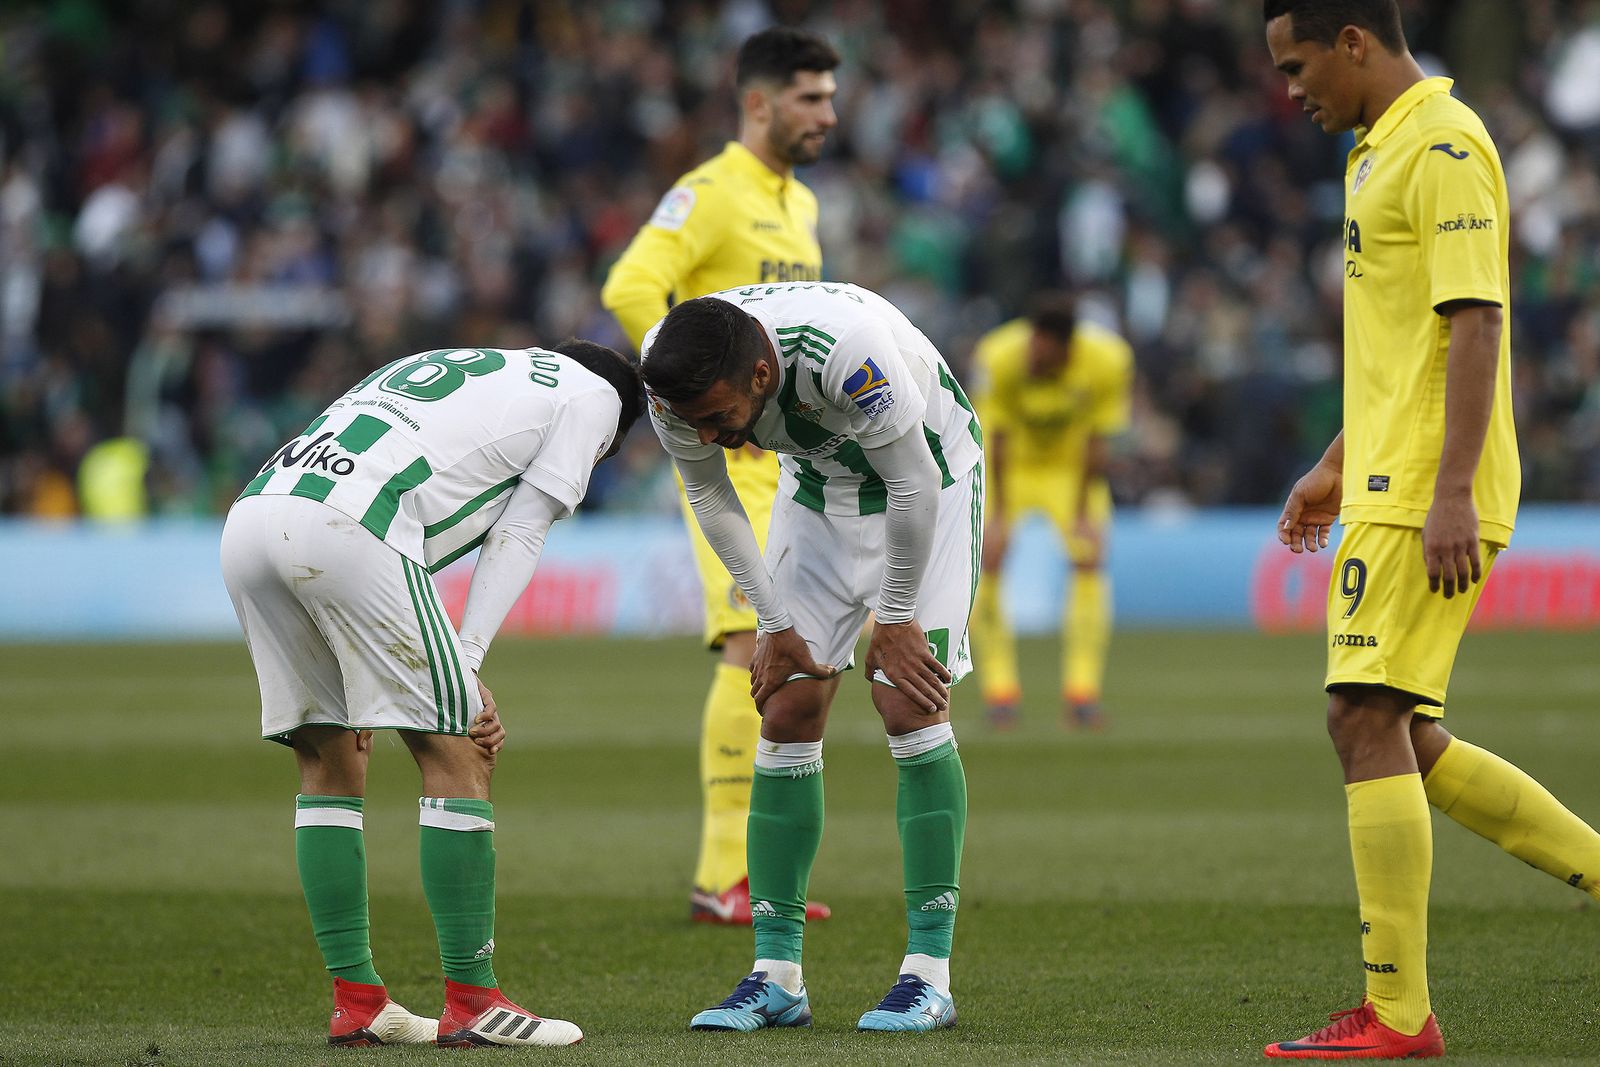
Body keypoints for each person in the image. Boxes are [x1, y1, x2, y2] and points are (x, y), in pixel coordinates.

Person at [1262, 1, 1600, 1058]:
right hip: (1386, 474)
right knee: (1401, 733)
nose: (1291, 91)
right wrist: (1334, 460)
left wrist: (1452, 488)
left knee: (1362, 718)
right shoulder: (1375, 151)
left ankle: (1398, 1013)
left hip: (1422, 487)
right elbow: (1405, 345)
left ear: (1353, 42)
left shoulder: (1445, 144)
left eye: (1297, 66)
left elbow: (1477, 320)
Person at [220, 340, 645, 1048]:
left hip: (254, 515)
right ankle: (473, 1002)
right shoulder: (597, 396)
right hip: (353, 524)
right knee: (461, 747)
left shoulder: (478, 363)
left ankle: (358, 1001)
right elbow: (521, 529)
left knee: (329, 758)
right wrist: (466, 662)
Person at [640, 281, 983, 1033]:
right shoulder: (670, 375)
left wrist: (896, 615)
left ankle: (929, 975)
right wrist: (772, 621)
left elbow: (912, 480)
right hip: (818, 492)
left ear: (762, 375)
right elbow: (712, 497)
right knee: (787, 701)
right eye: (694, 422)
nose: (710, 435)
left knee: (907, 698)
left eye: (719, 418)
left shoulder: (846, 350)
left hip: (930, 482)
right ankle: (776, 975)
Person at [601, 27, 839, 926]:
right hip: (733, 463)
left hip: (789, 463)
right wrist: (696, 398)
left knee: (798, 654)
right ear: (759, 102)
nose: (827, 114)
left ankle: (754, 873)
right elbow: (631, 286)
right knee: (751, 645)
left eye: (830, 97)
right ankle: (721, 875)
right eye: (810, 97)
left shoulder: (800, 203)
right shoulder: (708, 192)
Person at [966, 294, 1132, 731]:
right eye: (1033, 352)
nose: (1036, 363)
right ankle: (1000, 695)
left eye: (1046, 358)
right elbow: (994, 435)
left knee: (1089, 560)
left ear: (1068, 350)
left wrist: (1083, 513)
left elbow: (1098, 438)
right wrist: (998, 516)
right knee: (989, 562)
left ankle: (1082, 694)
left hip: (1069, 471)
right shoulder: (997, 355)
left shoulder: (1108, 360)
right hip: (1011, 468)